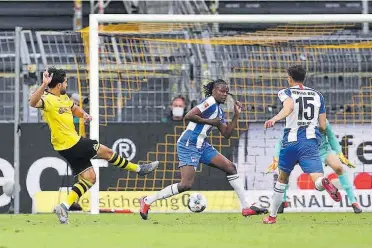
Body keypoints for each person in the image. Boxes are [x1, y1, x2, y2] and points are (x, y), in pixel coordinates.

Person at [29, 67, 159, 224]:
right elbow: (32, 102)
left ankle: (63, 206)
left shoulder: (63, 98)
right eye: (65, 82)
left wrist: (83, 114)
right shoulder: (48, 99)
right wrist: (43, 84)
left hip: (68, 146)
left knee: (90, 178)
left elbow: (73, 108)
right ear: (58, 85)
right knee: (107, 152)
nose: (67, 85)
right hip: (71, 143)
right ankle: (139, 169)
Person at [140, 79, 268, 220]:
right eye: (221, 91)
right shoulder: (210, 102)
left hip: (202, 144)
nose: (224, 94)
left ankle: (246, 207)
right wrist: (211, 122)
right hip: (189, 143)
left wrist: (236, 115)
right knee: (186, 184)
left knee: (230, 167)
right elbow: (189, 115)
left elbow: (227, 134)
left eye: (226, 92)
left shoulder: (219, 111)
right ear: (213, 91)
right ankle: (147, 201)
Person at [263, 65, 341, 224]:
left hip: (290, 142)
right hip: (310, 143)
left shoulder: (286, 92)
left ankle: (272, 217)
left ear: (289, 78)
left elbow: (289, 107)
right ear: (304, 77)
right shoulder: (318, 95)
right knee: (317, 180)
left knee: (282, 179)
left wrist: (275, 119)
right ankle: (324, 182)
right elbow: (323, 126)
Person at [267, 119, 362, 214]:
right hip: (302, 151)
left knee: (339, 168)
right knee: (283, 169)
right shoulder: (296, 120)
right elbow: (280, 142)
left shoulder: (323, 121)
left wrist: (340, 154)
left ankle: (353, 202)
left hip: (323, 151)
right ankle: (282, 201)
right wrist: (276, 158)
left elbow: (331, 137)